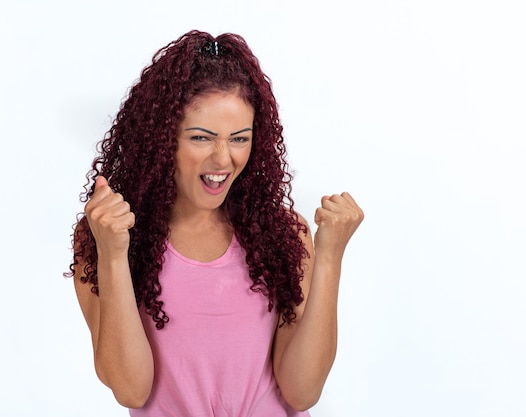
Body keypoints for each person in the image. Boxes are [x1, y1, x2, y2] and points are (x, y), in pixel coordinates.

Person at [66, 30, 364, 416]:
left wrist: (330, 257)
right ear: (163, 138)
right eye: (202, 138)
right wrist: (112, 255)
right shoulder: (107, 237)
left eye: (239, 138)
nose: (224, 160)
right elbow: (130, 390)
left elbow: (302, 391)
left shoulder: (282, 234)